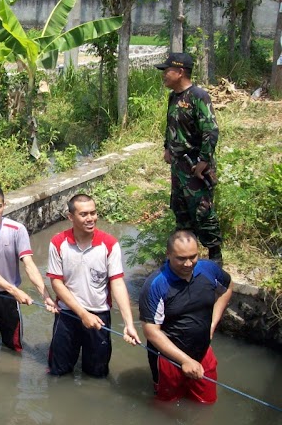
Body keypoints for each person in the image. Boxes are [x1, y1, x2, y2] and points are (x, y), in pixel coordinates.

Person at [46, 193, 141, 377]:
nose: (90, 218)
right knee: (59, 372)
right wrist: (82, 314)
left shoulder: (109, 244)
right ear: (71, 217)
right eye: (84, 214)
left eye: (93, 213)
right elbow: (57, 283)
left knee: (97, 374)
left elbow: (118, 284)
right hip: (67, 314)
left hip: (99, 316)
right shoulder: (58, 243)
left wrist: (129, 323)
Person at [139, 230, 233, 404]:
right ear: (168, 255)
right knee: (165, 407)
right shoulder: (156, 284)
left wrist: (212, 324)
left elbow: (227, 288)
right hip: (168, 359)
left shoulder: (208, 270)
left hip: (203, 351)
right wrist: (185, 360)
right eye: (181, 258)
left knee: (207, 403)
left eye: (193, 256)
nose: (188, 264)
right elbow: (151, 331)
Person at [0, 185, 57, 352]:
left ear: (4, 206)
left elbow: (28, 264)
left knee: (14, 345)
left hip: (10, 295)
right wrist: (16, 292)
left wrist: (45, 295)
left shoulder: (17, 230)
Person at [156, 52, 223, 264]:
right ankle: (185, 257)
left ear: (180, 72)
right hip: (178, 168)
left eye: (167, 70)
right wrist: (167, 147)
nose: (164, 74)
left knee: (203, 212)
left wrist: (203, 161)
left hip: (196, 168)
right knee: (180, 210)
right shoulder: (173, 97)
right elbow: (171, 126)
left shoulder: (198, 96)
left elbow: (210, 130)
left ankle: (215, 259)